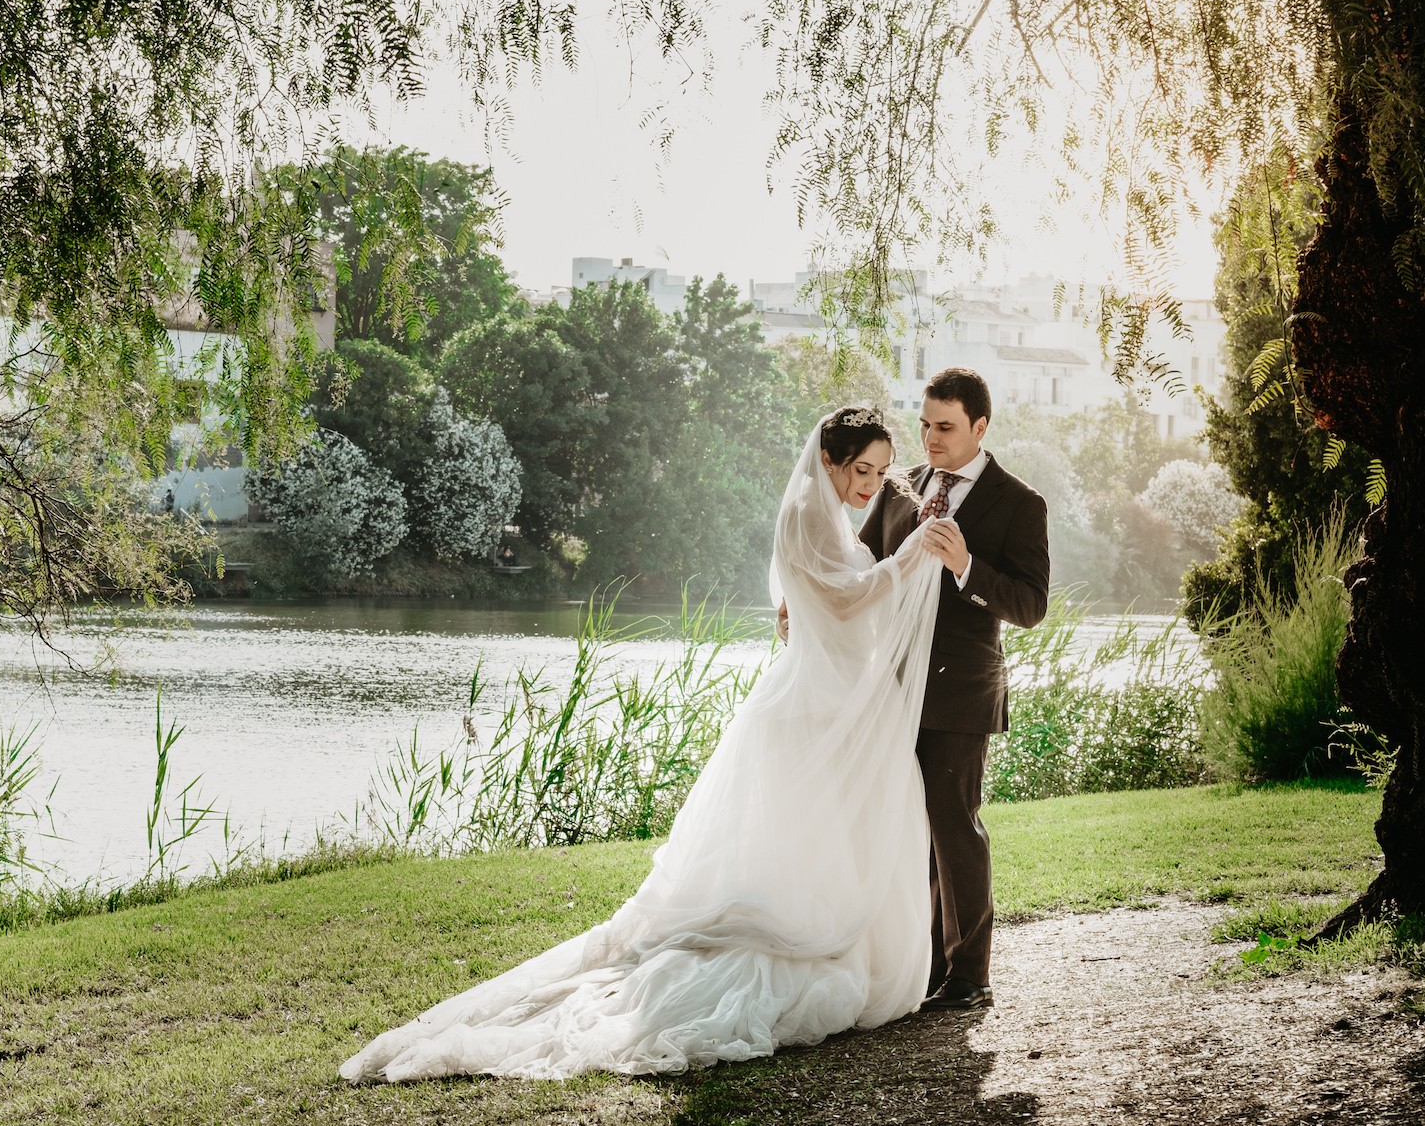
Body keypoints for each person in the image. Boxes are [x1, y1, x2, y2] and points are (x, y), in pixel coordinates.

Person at [341, 407, 951, 1082]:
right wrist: (908, 556)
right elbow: (840, 603)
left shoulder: (824, 512)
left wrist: (861, 581)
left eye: (878, 471)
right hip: (815, 705)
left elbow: (808, 604)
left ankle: (836, 940)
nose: (870, 484)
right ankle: (809, 945)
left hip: (831, 695)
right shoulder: (809, 509)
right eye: (859, 470)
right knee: (815, 839)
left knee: (830, 837)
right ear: (829, 461)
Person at [857, 367, 1049, 1012]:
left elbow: (1030, 605)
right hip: (890, 685)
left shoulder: (1020, 503)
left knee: (951, 823)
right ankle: (919, 963)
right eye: (924, 425)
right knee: (899, 822)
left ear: (980, 427)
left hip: (961, 690)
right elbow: (861, 565)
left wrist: (966, 565)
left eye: (944, 427)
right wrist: (806, 601)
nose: (930, 439)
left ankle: (969, 973)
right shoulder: (899, 486)